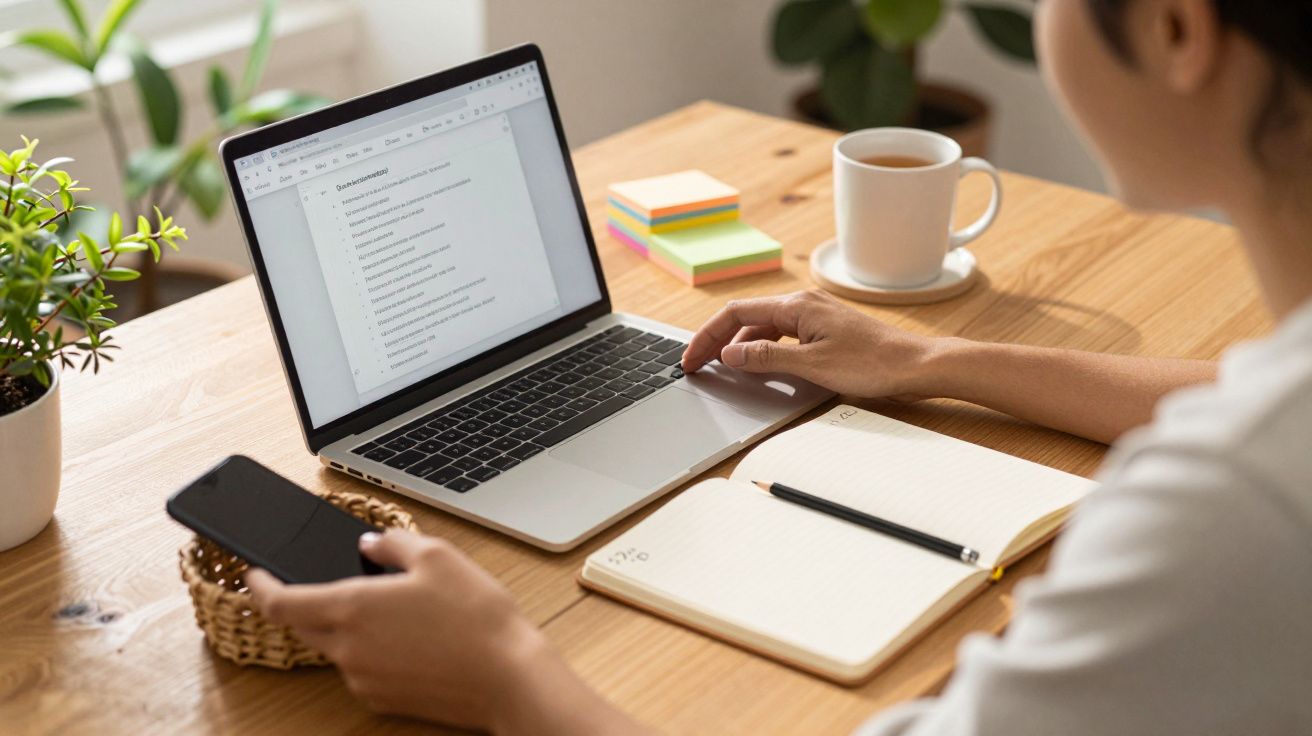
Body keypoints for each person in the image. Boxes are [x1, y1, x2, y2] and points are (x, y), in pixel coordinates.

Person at [246, 0, 1312, 732]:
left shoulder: (1228, 510)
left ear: (1177, 28)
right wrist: (928, 358)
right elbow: (1253, 393)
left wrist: (504, 676)